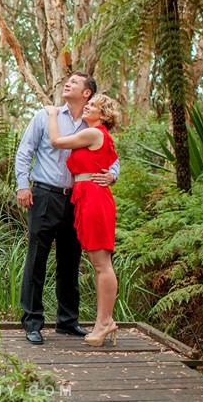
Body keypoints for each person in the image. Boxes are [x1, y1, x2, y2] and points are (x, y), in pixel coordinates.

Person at [15, 72, 119, 345]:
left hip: (77, 199)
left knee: (70, 260)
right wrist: (22, 186)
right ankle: (33, 322)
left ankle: (68, 321)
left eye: (75, 82)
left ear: (87, 93)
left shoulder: (90, 123)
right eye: (68, 80)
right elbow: (25, 151)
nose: (68, 83)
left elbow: (112, 157)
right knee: (37, 258)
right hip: (44, 194)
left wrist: (112, 175)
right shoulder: (46, 115)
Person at [45, 94, 121, 347]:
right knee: (98, 263)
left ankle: (105, 322)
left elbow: (56, 141)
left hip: (94, 198)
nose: (87, 107)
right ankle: (103, 321)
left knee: (101, 263)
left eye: (92, 105)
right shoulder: (95, 134)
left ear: (103, 114)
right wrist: (111, 175)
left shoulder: (94, 133)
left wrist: (53, 114)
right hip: (86, 196)